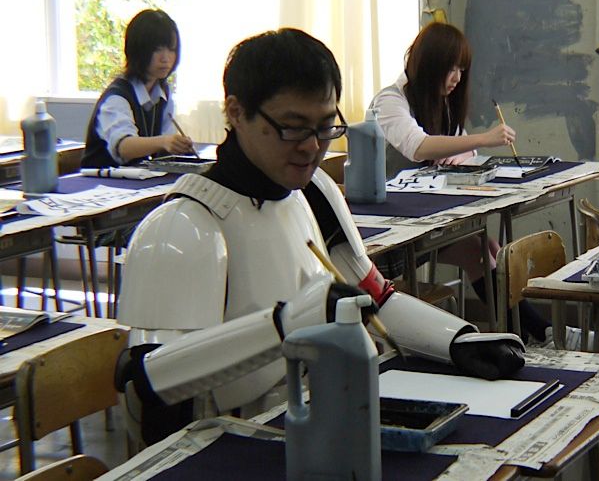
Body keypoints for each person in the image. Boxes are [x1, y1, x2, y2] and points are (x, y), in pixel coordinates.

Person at [115, 28, 525, 447]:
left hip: (323, 419)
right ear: (236, 112)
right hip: (228, 441)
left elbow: (375, 299)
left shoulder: (315, 192)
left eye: (326, 127)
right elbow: (148, 385)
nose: (312, 147)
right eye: (292, 128)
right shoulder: (183, 227)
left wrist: (456, 340)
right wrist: (289, 324)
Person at [370, 22, 554, 345]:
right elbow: (417, 146)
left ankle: (536, 333)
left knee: (486, 248)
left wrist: (464, 151)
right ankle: (541, 332)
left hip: (426, 220)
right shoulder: (390, 101)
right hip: (388, 234)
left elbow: (463, 149)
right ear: (430, 65)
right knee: (481, 249)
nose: (456, 78)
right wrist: (484, 138)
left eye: (461, 70)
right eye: (451, 68)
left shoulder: (439, 102)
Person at [81, 9, 194, 168]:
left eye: (172, 49)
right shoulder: (117, 97)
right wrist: (164, 142)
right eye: (157, 49)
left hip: (139, 178)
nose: (166, 58)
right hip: (102, 181)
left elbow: (165, 147)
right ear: (138, 50)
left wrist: (177, 146)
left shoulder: (163, 94)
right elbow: (124, 147)